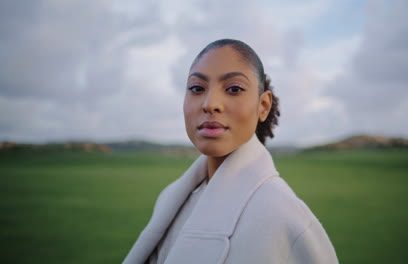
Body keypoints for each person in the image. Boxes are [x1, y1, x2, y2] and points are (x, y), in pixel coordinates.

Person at [123, 39, 339, 264]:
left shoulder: (286, 219)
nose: (210, 104)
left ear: (263, 106)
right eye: (197, 88)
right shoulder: (169, 198)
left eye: (234, 89)